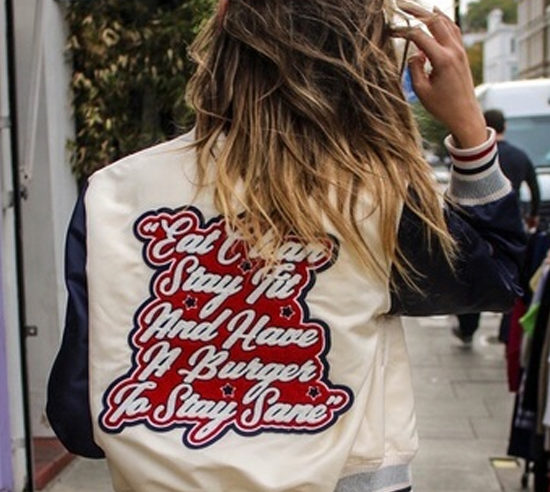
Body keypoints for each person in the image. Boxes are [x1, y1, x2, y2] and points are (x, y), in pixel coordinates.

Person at [46, 1, 526, 491]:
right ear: (362, 69)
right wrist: (469, 127)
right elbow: (499, 277)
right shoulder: (372, 201)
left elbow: (78, 418)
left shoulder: (115, 193)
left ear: (221, 46)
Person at [454, 108, 539, 345]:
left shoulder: (481, 156)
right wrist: (532, 215)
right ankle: (507, 326)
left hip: (476, 222)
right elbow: (534, 187)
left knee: (473, 275)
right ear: (505, 126)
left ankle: (468, 328)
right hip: (511, 222)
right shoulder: (519, 155)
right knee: (512, 275)